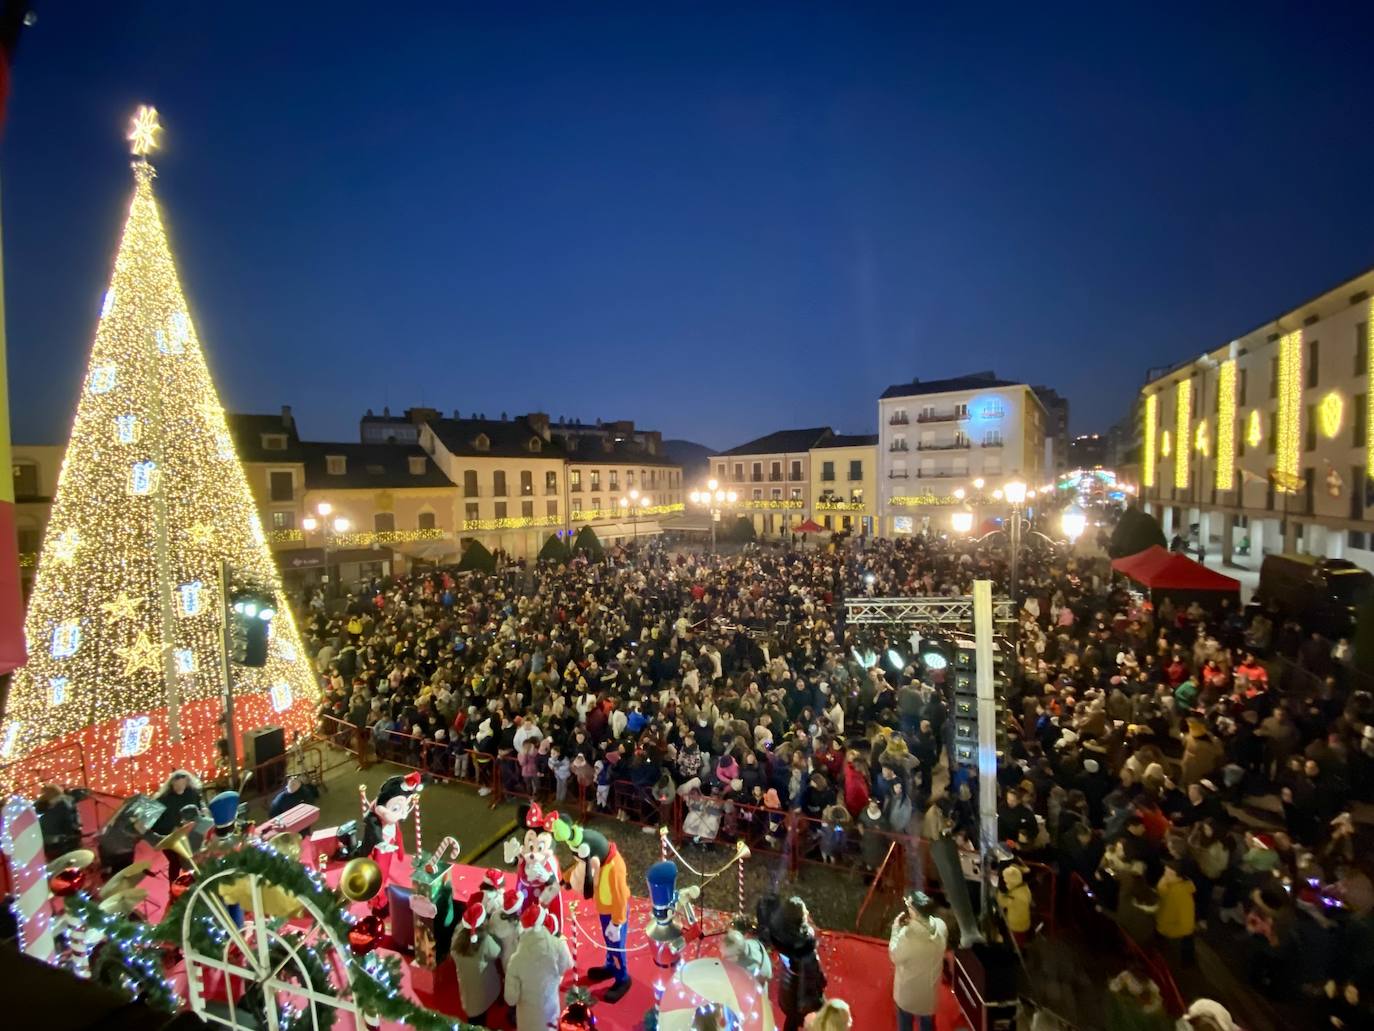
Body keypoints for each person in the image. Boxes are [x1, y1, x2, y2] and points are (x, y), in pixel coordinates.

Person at [760, 894, 826, 1031]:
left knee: (791, 1018)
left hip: (787, 984)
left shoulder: (780, 932)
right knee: (815, 1017)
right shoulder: (804, 946)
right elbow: (814, 975)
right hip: (802, 990)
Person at [504, 906, 573, 1031]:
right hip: (550, 1011)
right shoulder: (557, 944)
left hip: (527, 1019)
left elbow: (511, 999)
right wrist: (555, 979)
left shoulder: (515, 959)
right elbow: (567, 964)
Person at [888, 890, 948, 1031]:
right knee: (927, 1025)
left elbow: (894, 955)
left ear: (914, 911)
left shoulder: (907, 937)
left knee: (905, 1023)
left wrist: (896, 929)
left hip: (907, 996)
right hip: (929, 997)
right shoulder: (941, 927)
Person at [451, 899, 502, 1026]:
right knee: (480, 1017)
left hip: (466, 987)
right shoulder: (485, 940)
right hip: (483, 989)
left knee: (474, 1018)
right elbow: (497, 953)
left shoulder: (457, 937)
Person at [151, 770, 205, 882]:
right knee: (175, 864)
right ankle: (174, 890)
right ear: (172, 784)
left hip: (191, 834)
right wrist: (171, 828)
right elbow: (154, 824)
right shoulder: (161, 800)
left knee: (194, 860)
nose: (180, 787)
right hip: (170, 837)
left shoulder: (192, 793)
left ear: (187, 782)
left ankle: (198, 883)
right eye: (177, 784)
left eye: (183, 784)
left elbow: (199, 811)